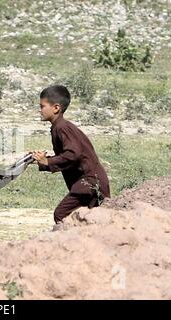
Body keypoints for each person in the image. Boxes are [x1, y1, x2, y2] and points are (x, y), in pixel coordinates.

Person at [31, 85, 110, 231]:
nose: (39, 110)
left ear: (56, 108)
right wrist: (42, 161)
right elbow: (68, 156)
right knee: (91, 220)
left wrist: (48, 161)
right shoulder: (59, 126)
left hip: (89, 183)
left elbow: (73, 154)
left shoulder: (62, 127)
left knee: (62, 214)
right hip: (91, 182)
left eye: (42, 106)